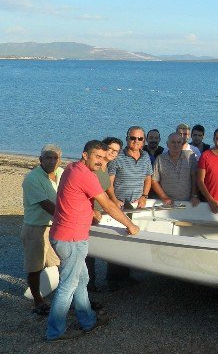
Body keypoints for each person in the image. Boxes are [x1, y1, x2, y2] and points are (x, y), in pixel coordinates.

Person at [46, 140, 139, 341]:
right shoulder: (84, 175)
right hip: (70, 238)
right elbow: (109, 205)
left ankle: (88, 320)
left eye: (104, 158)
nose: (101, 161)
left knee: (82, 280)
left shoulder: (71, 168)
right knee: (68, 285)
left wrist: (90, 209)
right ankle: (55, 331)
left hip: (67, 234)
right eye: (97, 157)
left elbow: (75, 197)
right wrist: (129, 225)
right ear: (85, 155)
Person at [106, 126, 152, 290]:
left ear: (143, 141)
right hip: (119, 205)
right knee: (116, 240)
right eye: (133, 138)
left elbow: (148, 178)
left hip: (136, 205)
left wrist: (144, 196)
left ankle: (125, 276)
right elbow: (109, 182)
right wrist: (113, 199)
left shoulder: (146, 156)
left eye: (140, 139)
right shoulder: (117, 158)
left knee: (130, 239)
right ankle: (113, 280)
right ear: (127, 139)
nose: (136, 141)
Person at [21, 144, 64, 315]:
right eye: (48, 157)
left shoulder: (61, 174)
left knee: (57, 263)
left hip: (55, 226)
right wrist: (71, 218)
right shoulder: (32, 178)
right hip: (35, 228)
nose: (52, 161)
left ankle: (56, 294)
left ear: (60, 160)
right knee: (35, 266)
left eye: (55, 158)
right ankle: (37, 301)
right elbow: (47, 205)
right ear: (40, 159)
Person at [85, 136, 122, 292]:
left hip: (103, 212)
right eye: (110, 149)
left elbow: (109, 189)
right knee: (88, 252)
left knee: (108, 245)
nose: (112, 152)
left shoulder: (106, 168)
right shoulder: (93, 168)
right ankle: (88, 283)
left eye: (116, 151)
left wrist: (115, 201)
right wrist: (91, 210)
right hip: (91, 212)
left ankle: (111, 280)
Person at [152, 132, 199, 206]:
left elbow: (194, 177)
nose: (176, 145)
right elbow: (154, 181)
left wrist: (194, 195)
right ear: (167, 144)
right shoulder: (160, 159)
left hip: (187, 202)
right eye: (173, 142)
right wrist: (164, 197)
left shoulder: (190, 156)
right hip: (166, 202)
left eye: (179, 142)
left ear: (182, 144)